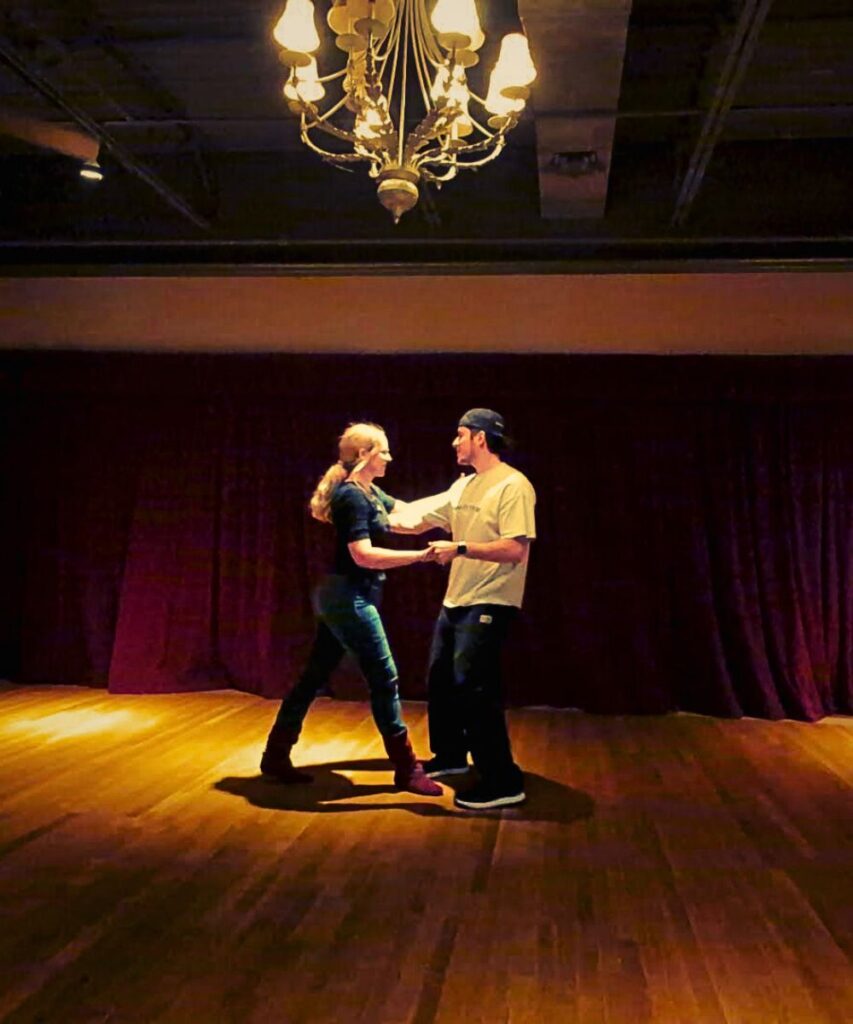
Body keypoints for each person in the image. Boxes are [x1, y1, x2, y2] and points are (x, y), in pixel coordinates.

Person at [260, 422, 442, 797]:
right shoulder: (351, 497)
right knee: (385, 677)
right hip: (349, 598)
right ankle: (407, 769)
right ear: (365, 454)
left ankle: (275, 756)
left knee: (314, 675)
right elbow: (363, 555)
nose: (390, 457)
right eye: (384, 451)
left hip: (344, 596)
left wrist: (456, 499)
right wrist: (421, 557)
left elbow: (407, 516)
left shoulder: (369, 491)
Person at [389, 408, 536, 809]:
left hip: (491, 600)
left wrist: (460, 548)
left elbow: (516, 548)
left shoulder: (513, 486)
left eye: (460, 435)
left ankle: (503, 780)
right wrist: (363, 499)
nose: (454, 443)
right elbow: (413, 517)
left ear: (481, 438)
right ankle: (452, 757)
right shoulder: (463, 487)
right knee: (441, 678)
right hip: (457, 600)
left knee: (474, 686)